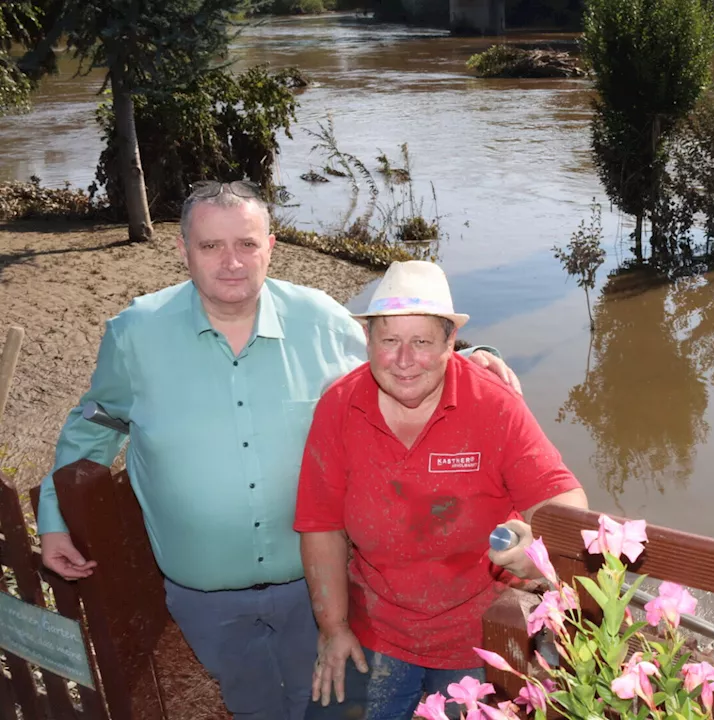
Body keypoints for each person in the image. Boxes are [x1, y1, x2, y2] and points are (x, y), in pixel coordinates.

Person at [36, 180, 523, 720]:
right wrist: (54, 518)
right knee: (251, 703)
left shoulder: (318, 318)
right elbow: (95, 425)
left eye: (246, 244)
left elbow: (400, 355)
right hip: (205, 594)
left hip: (315, 585)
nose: (231, 262)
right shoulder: (135, 333)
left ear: (271, 247)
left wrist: (475, 355)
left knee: (324, 702)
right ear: (183, 251)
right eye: (210, 246)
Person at [295, 261, 589, 720]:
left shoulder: (493, 403)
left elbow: (563, 502)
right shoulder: (338, 407)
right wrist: (332, 628)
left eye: (423, 342)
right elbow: (321, 526)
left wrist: (537, 541)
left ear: (451, 343)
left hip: (479, 634)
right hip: (375, 627)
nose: (404, 359)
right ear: (367, 341)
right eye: (389, 340)